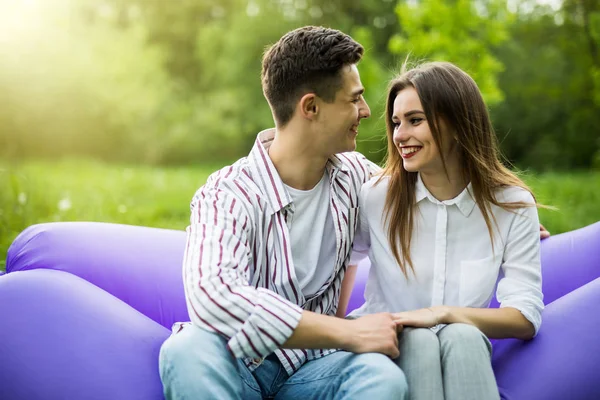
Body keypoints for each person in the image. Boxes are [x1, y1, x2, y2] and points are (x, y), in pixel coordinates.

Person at [158, 26, 409, 400]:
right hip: (238, 364)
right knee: (185, 349)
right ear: (310, 107)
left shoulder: (357, 176)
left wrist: (502, 218)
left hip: (315, 370)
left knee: (380, 376)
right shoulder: (228, 192)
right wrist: (345, 332)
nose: (366, 111)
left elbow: (427, 200)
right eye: (353, 99)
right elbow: (213, 295)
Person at [347, 61, 545, 400]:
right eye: (396, 123)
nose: (399, 136)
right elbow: (339, 262)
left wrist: (442, 315)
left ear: (457, 123)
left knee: (462, 335)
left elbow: (525, 316)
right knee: (420, 339)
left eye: (415, 120)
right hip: (386, 351)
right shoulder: (375, 197)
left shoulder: (511, 205)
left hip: (464, 351)